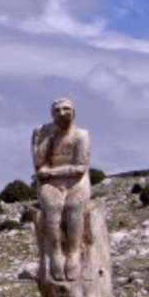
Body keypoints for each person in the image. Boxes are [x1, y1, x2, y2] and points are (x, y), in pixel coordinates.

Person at [32, 98, 91, 281]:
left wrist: (51, 173)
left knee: (74, 206)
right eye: (57, 110)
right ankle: (56, 252)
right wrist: (48, 139)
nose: (62, 113)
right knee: (53, 206)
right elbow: (38, 163)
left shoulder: (81, 135)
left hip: (76, 182)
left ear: (74, 112)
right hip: (51, 184)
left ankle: (73, 253)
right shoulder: (42, 132)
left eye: (66, 109)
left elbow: (80, 168)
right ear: (52, 113)